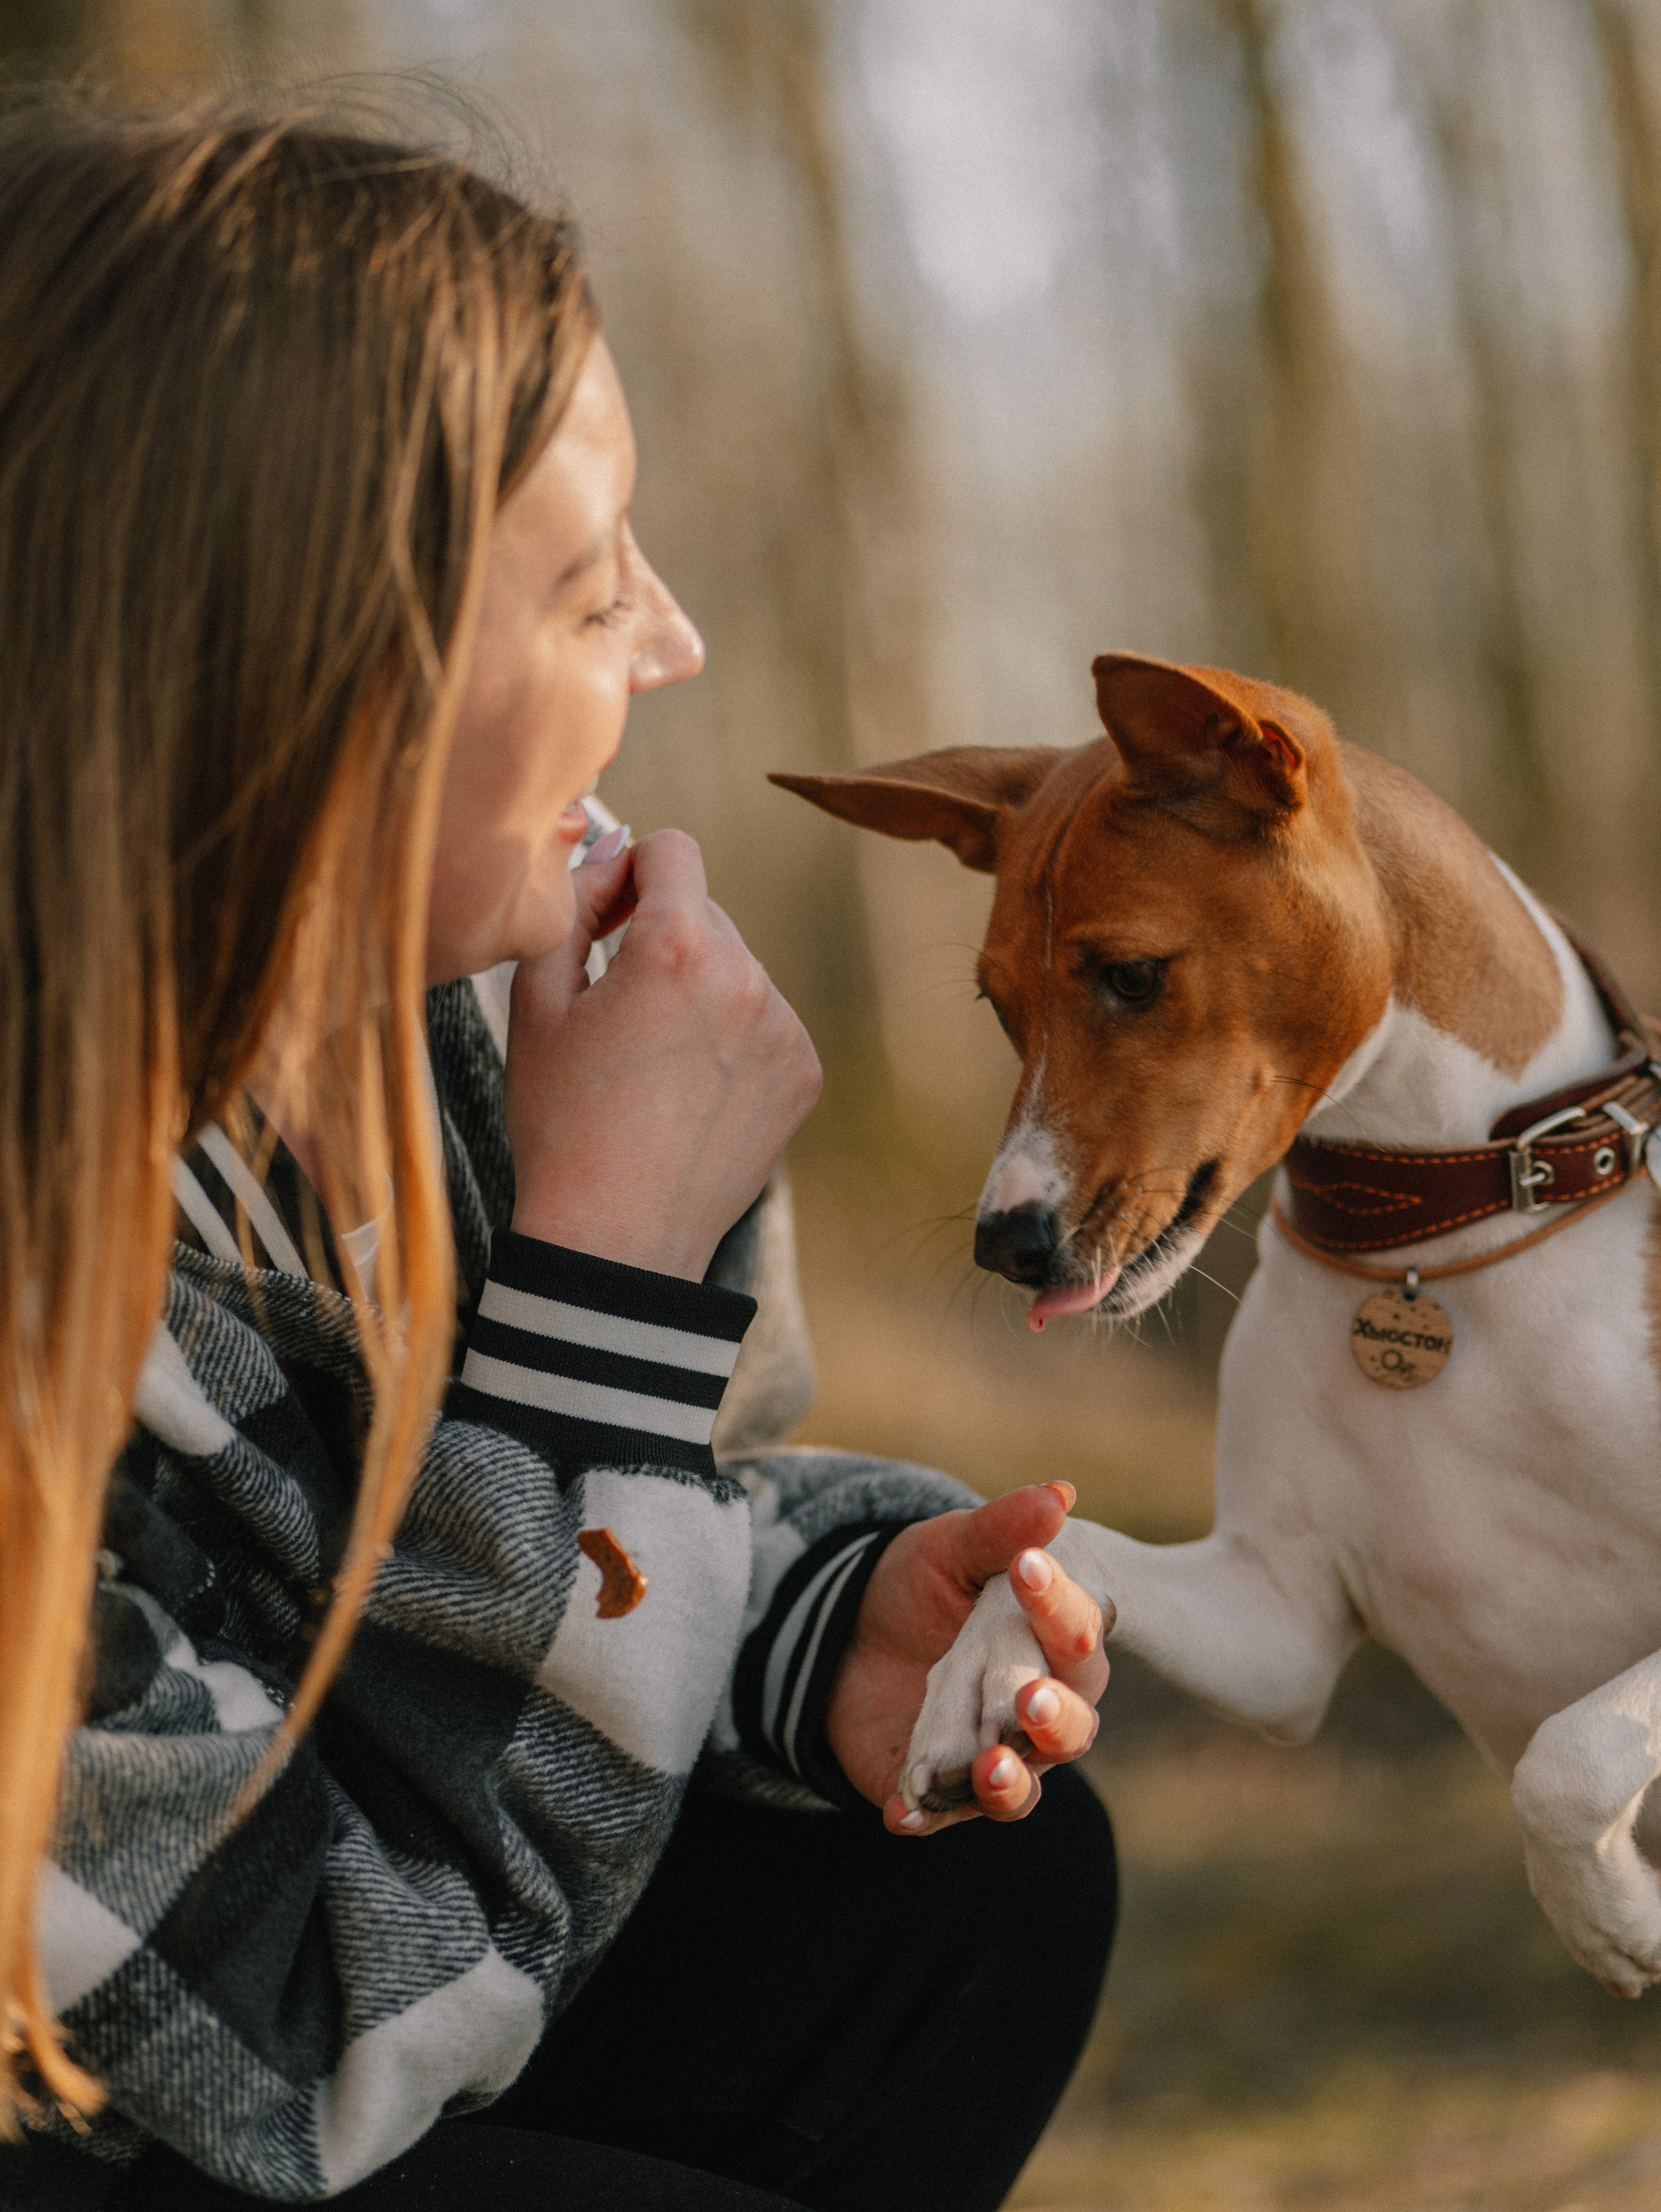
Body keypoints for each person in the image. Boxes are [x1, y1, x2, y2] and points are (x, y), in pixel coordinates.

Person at [0, 90, 1117, 2212]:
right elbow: (333, 2012)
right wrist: (600, 1290)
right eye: (593, 584)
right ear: (320, 667)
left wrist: (811, 1631)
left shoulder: (421, 1038)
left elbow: (399, 1598)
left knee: (965, 1898)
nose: (674, 644)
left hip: (329, 1962)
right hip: (152, 2075)